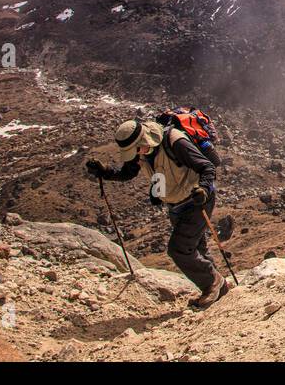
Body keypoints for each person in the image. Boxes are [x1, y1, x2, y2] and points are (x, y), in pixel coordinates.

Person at [85, 117, 228, 309]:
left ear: (143, 141)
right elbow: (128, 173)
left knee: (179, 249)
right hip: (175, 204)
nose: (135, 156)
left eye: (135, 150)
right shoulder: (142, 152)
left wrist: (203, 189)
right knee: (195, 248)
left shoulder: (175, 142)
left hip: (196, 201)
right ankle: (220, 291)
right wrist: (106, 172)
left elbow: (206, 167)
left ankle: (212, 283)